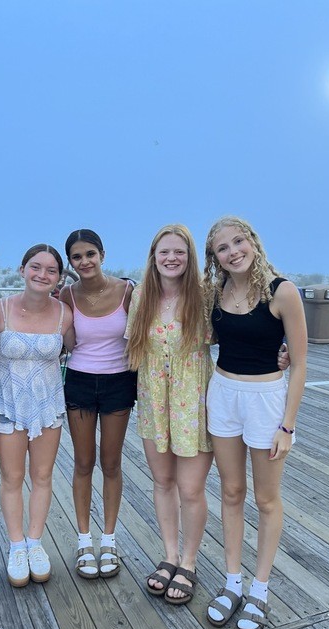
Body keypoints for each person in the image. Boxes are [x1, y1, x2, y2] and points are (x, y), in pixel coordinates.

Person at [203, 216, 307, 629]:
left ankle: (259, 590)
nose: (233, 252)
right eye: (223, 248)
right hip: (223, 394)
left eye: (238, 241)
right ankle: (233, 583)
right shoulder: (215, 293)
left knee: (266, 498)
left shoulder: (282, 292)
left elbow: (300, 364)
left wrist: (287, 426)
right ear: (215, 258)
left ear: (253, 242)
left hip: (266, 400)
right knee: (231, 491)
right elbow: (209, 337)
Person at [125, 224, 213, 605]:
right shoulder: (141, 295)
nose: (171, 258)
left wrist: (281, 351)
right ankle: (170, 556)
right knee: (163, 482)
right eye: (164, 252)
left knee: (190, 488)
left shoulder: (206, 295)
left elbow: (245, 325)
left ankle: (189, 562)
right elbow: (128, 345)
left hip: (194, 400)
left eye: (179, 251)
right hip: (154, 401)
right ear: (154, 256)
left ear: (190, 256)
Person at [0, 244, 75, 586]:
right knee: (11, 478)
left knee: (42, 476)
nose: (43, 274)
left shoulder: (64, 314)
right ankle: (16, 546)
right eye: (36, 267)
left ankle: (35, 542)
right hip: (8, 405)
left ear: (59, 277)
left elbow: (82, 347)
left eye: (51, 270)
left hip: (48, 405)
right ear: (22, 269)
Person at [59, 229, 137, 579]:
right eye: (77, 257)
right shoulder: (66, 294)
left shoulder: (128, 291)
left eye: (90, 254)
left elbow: (149, 332)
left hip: (119, 382)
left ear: (102, 255)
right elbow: (61, 340)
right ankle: (83, 541)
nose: (85, 261)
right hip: (79, 380)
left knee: (111, 463)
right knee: (82, 462)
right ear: (71, 262)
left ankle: (108, 540)